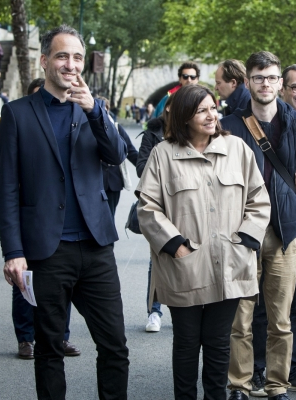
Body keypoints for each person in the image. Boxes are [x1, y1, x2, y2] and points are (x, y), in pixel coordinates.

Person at [0, 25, 129, 399]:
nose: (70, 64)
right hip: (46, 249)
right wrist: (13, 251)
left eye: (76, 57)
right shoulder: (17, 114)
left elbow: (116, 155)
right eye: (61, 56)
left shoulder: (94, 108)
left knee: (115, 347)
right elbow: (8, 187)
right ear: (44, 61)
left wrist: (94, 111)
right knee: (50, 349)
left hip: (96, 245)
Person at [136, 84, 271, 400]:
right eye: (202, 110)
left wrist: (245, 241)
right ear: (184, 116)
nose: (212, 115)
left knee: (219, 341)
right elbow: (148, 208)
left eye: (213, 107)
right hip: (185, 266)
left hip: (230, 264)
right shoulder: (163, 154)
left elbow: (258, 198)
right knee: (185, 342)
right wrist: (175, 245)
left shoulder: (236, 148)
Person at [222, 51, 296, 400]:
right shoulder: (229, 126)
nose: (265, 83)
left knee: (281, 318)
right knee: (242, 319)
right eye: (258, 77)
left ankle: (277, 385)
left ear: (280, 83)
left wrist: (295, 208)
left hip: (285, 232)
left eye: (271, 78)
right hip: (241, 233)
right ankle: (239, 383)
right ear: (247, 82)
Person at [248, 63, 296, 395]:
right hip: (269, 226)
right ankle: (258, 368)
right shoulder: (265, 123)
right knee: (263, 304)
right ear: (283, 89)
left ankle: (295, 368)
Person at [0, 78, 81, 359]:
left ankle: (60, 337)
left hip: (58, 213)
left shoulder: (73, 116)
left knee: (62, 285)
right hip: (26, 209)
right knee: (23, 279)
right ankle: (25, 338)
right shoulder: (11, 116)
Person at [136, 95, 171, 332]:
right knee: (157, 257)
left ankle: (187, 308)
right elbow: (141, 166)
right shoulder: (153, 133)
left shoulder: (194, 132)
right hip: (159, 203)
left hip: (187, 203)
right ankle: (154, 311)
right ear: (167, 108)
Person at [97, 96, 138, 216]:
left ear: (108, 110)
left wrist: (146, 167)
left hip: (113, 183)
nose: (102, 111)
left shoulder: (116, 128)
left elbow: (130, 150)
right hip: (95, 182)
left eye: (105, 108)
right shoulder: (86, 128)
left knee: (110, 216)